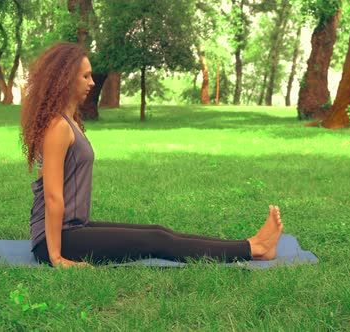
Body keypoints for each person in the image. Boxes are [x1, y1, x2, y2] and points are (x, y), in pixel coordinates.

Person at [20, 42, 283, 268]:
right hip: (56, 239)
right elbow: (52, 197)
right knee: (156, 242)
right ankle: (254, 248)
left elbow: (48, 177)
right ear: (65, 79)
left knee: (159, 232)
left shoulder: (68, 121)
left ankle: (253, 245)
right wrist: (56, 257)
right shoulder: (57, 127)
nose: (92, 82)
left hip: (74, 229)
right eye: (86, 77)